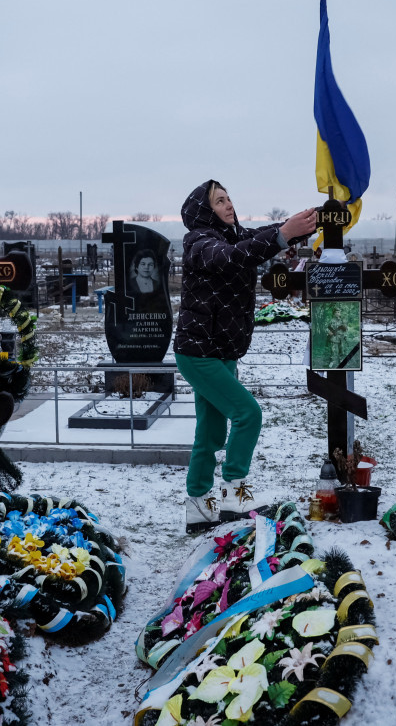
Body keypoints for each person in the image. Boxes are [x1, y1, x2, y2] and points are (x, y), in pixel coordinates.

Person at [175, 179, 317, 533]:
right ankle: (234, 496)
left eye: (229, 198)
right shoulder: (200, 243)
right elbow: (235, 257)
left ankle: (199, 509)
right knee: (248, 414)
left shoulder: (230, 235)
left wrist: (303, 224)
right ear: (204, 210)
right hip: (199, 353)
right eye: (219, 200)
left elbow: (262, 236)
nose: (228, 204)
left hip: (221, 351)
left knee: (209, 433)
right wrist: (283, 235)